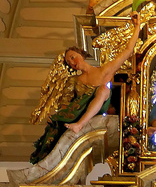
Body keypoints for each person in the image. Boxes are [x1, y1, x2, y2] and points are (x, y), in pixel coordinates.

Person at [30, 13, 141, 163]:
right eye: (69, 61)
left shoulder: (104, 70)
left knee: (103, 89)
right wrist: (55, 114)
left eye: (72, 56)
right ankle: (75, 125)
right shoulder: (74, 80)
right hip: (80, 109)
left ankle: (79, 125)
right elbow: (67, 103)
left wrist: (137, 26)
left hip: (101, 105)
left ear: (80, 54)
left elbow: (127, 51)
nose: (71, 61)